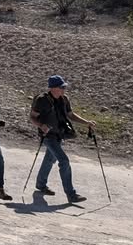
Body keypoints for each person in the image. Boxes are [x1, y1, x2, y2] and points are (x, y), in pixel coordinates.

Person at [30, 75, 96, 204]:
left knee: (49, 159)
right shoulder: (41, 100)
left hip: (59, 135)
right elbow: (32, 117)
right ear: (53, 88)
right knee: (64, 161)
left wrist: (86, 122)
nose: (64, 89)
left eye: (64, 87)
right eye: (61, 87)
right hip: (48, 136)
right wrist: (41, 126)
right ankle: (71, 195)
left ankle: (40, 185)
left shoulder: (64, 99)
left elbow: (70, 115)